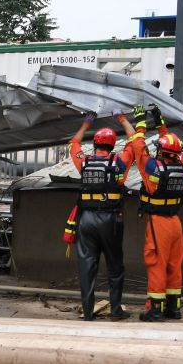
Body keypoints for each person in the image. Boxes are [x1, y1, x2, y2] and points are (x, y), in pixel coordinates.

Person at [117, 106, 183, 322]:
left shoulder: (152, 167)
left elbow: (139, 147)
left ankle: (154, 309)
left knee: (156, 263)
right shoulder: (181, 165)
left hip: (159, 223)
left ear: (160, 151)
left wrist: (140, 123)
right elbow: (171, 144)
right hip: (176, 222)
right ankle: (173, 308)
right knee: (174, 265)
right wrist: (160, 125)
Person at [66, 113, 132, 321]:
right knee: (115, 266)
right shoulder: (120, 162)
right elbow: (135, 140)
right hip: (111, 219)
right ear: (112, 146)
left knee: (87, 267)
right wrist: (122, 119)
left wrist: (86, 123)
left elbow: (73, 143)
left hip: (85, 220)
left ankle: (88, 313)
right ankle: (115, 310)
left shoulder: (84, 162)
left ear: (94, 144)